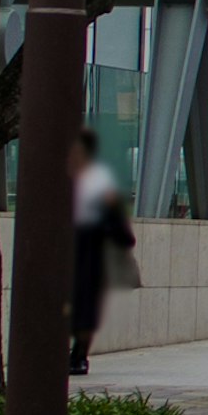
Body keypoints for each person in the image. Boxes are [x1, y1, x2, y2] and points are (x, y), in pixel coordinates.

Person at [68, 128, 137, 378]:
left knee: (84, 305)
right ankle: (74, 353)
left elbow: (118, 226)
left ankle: (79, 355)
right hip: (69, 245)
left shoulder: (99, 180)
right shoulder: (69, 176)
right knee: (70, 301)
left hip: (91, 247)